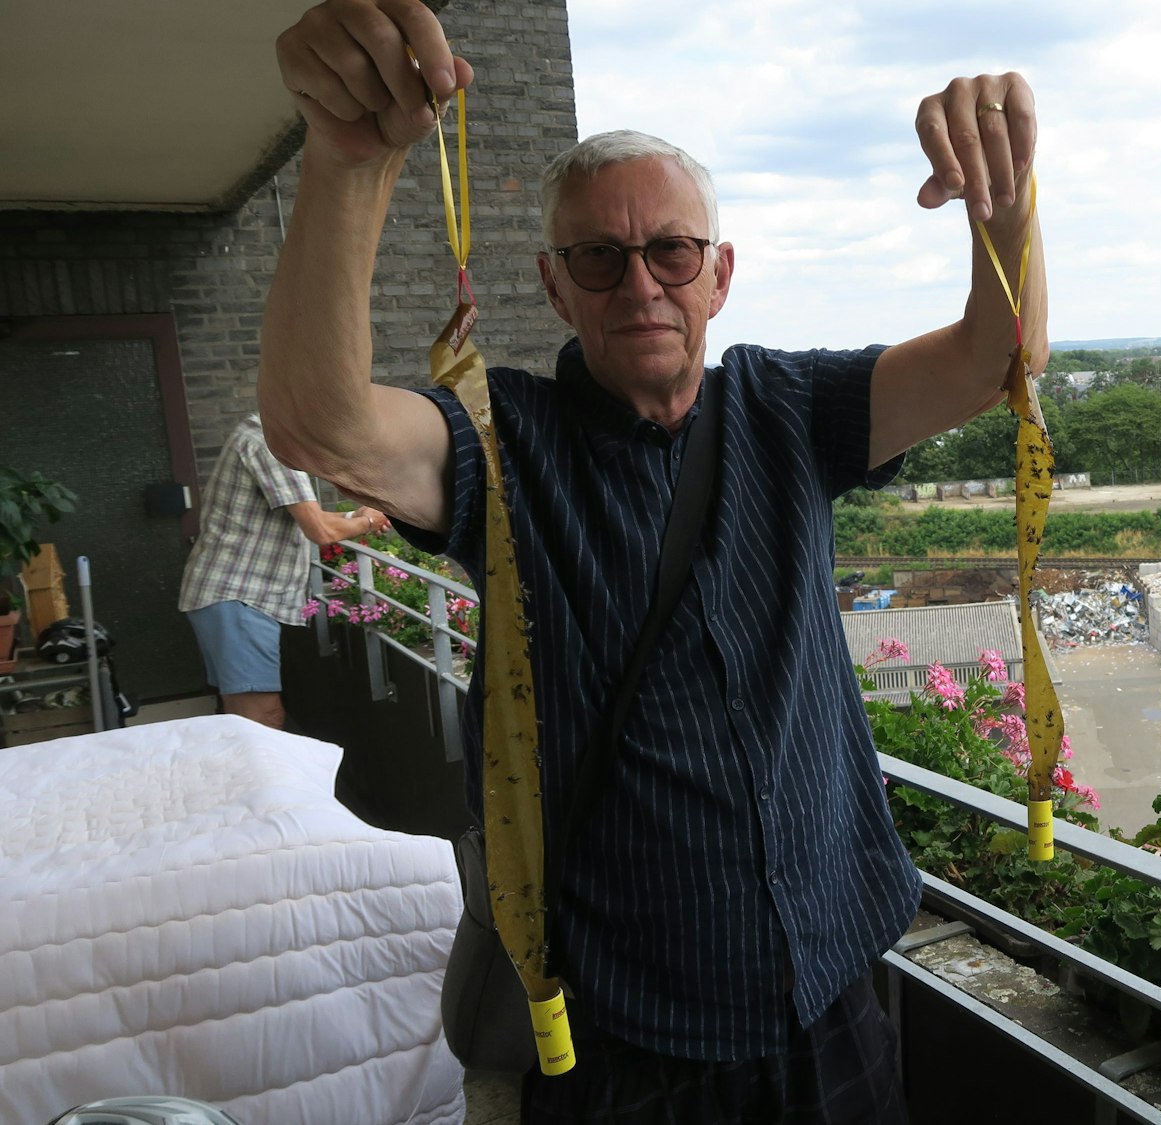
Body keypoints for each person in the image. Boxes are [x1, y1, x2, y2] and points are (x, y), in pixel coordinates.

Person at [262, 1, 1044, 1120]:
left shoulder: (786, 408)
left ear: (718, 274)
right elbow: (320, 422)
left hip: (831, 995)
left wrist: (1004, 210)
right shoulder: (503, 440)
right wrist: (346, 163)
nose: (641, 285)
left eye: (671, 251)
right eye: (600, 256)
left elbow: (994, 359)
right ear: (554, 283)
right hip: (626, 1032)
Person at [178, 414, 388, 730]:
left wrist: (353, 515)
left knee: (241, 717)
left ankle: (242, 779)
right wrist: (368, 521)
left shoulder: (264, 433)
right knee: (262, 718)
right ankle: (260, 781)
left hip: (231, 597)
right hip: (239, 598)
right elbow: (318, 530)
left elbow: (301, 516)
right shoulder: (273, 444)